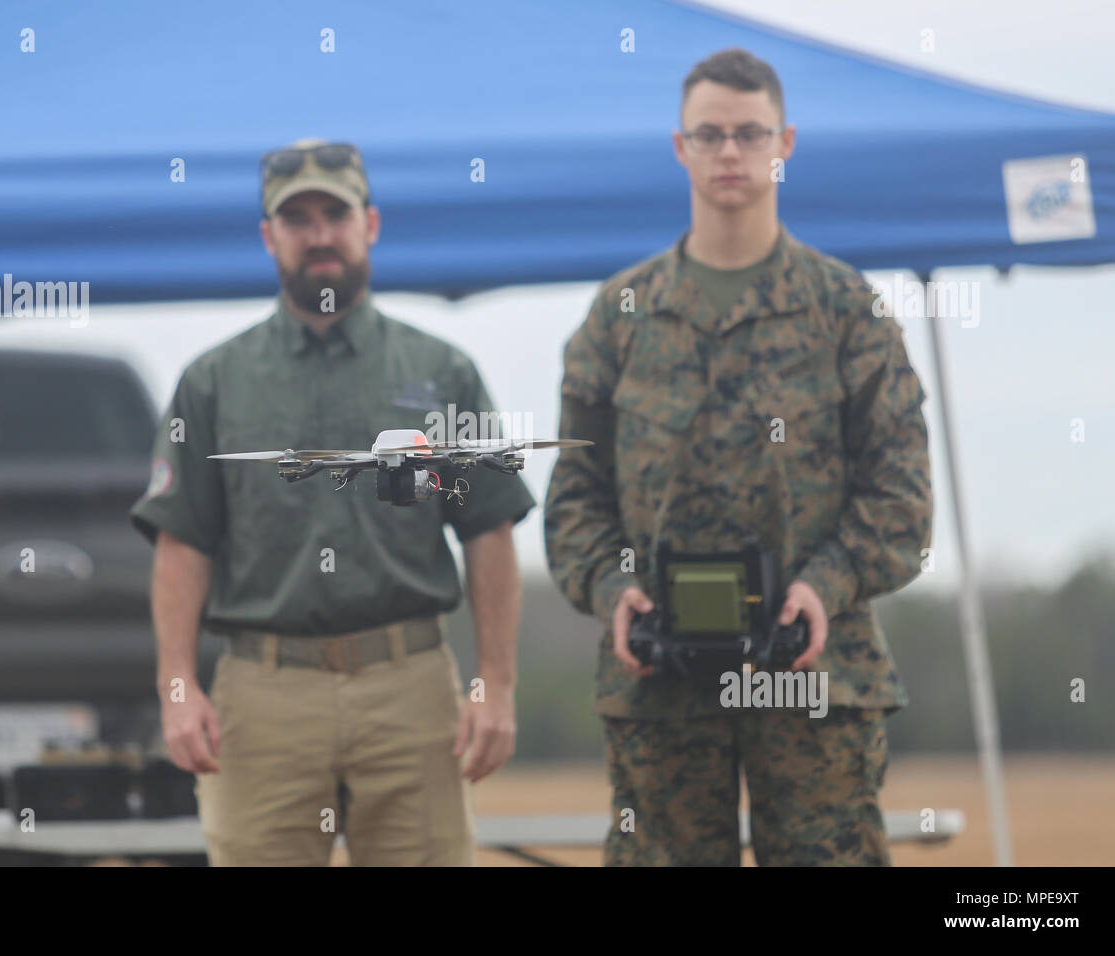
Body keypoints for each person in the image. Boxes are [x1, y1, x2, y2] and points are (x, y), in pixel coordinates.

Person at [543, 49, 933, 866]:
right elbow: (575, 492)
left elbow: (901, 496)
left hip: (812, 675)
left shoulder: (846, 312)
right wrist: (614, 589)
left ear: (783, 143)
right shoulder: (621, 316)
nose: (730, 153)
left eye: (749, 134)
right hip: (661, 679)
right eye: (710, 134)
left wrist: (822, 586)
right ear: (679, 147)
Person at [131, 139, 534, 866]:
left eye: (335, 213)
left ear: (369, 224)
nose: (319, 234)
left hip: (409, 688)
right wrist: (177, 685)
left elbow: (489, 530)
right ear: (269, 237)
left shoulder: (441, 374)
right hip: (264, 694)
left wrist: (496, 685)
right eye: (297, 218)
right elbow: (181, 542)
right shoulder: (214, 383)